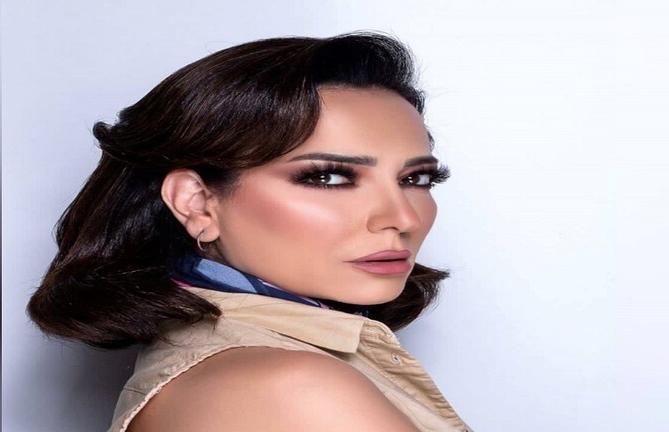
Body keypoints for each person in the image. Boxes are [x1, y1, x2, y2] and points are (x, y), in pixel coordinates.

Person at [27, 32, 473, 432]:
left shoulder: (252, 369)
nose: (403, 218)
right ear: (197, 202)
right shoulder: (290, 388)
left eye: (416, 179)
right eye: (328, 177)